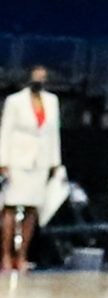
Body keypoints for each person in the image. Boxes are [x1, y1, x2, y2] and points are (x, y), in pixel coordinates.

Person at [1, 63, 63, 273]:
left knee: (32, 209)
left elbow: (54, 132)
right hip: (18, 158)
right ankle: (6, 255)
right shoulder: (15, 101)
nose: (40, 80)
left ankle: (23, 255)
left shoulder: (52, 101)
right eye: (37, 76)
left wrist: (55, 161)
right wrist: (3, 161)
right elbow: (6, 130)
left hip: (41, 160)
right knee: (11, 207)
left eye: (43, 77)